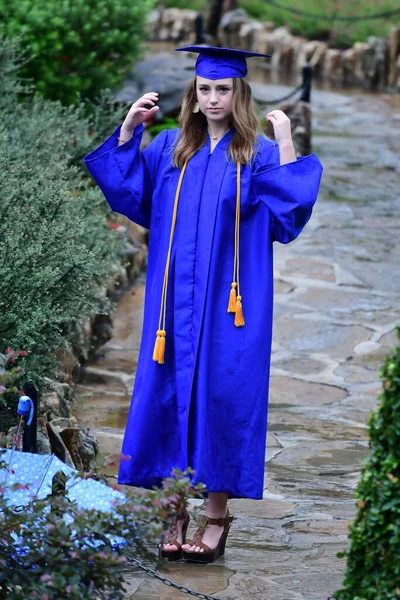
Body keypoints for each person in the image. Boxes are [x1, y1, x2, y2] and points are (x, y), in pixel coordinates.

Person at [83, 46, 323, 564]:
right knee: (167, 390)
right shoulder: (171, 148)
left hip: (231, 307)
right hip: (172, 306)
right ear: (193, 93)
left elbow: (288, 217)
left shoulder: (256, 154)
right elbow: (130, 195)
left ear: (239, 95)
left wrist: (285, 142)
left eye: (223, 89)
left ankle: (216, 516)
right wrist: (129, 130)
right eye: (205, 89)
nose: (213, 98)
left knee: (222, 394)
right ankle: (175, 508)